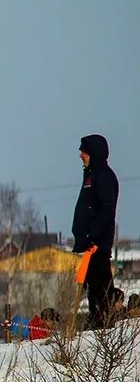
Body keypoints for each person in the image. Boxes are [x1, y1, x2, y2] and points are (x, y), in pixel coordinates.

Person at [72, 134, 120, 329]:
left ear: (94, 152)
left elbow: (107, 208)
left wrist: (92, 234)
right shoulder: (91, 175)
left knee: (100, 286)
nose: (81, 155)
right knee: (92, 286)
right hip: (89, 244)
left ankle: (102, 323)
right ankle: (97, 320)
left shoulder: (103, 176)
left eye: (84, 151)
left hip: (97, 244)